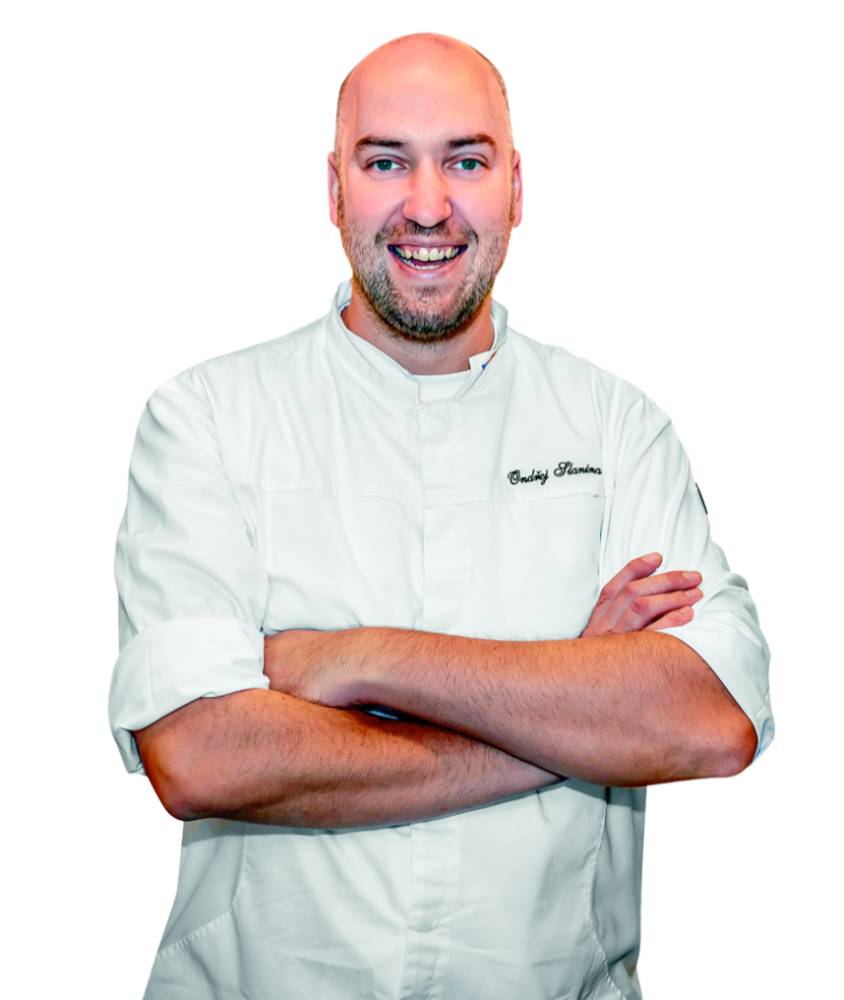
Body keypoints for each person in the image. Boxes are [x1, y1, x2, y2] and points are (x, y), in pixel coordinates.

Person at [108, 31, 774, 1000]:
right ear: (334, 189)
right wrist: (569, 711)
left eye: (466, 160)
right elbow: (201, 756)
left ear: (517, 186)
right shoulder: (207, 419)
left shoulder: (616, 425)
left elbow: (710, 719)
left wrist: (358, 657)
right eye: (386, 162)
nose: (427, 206)